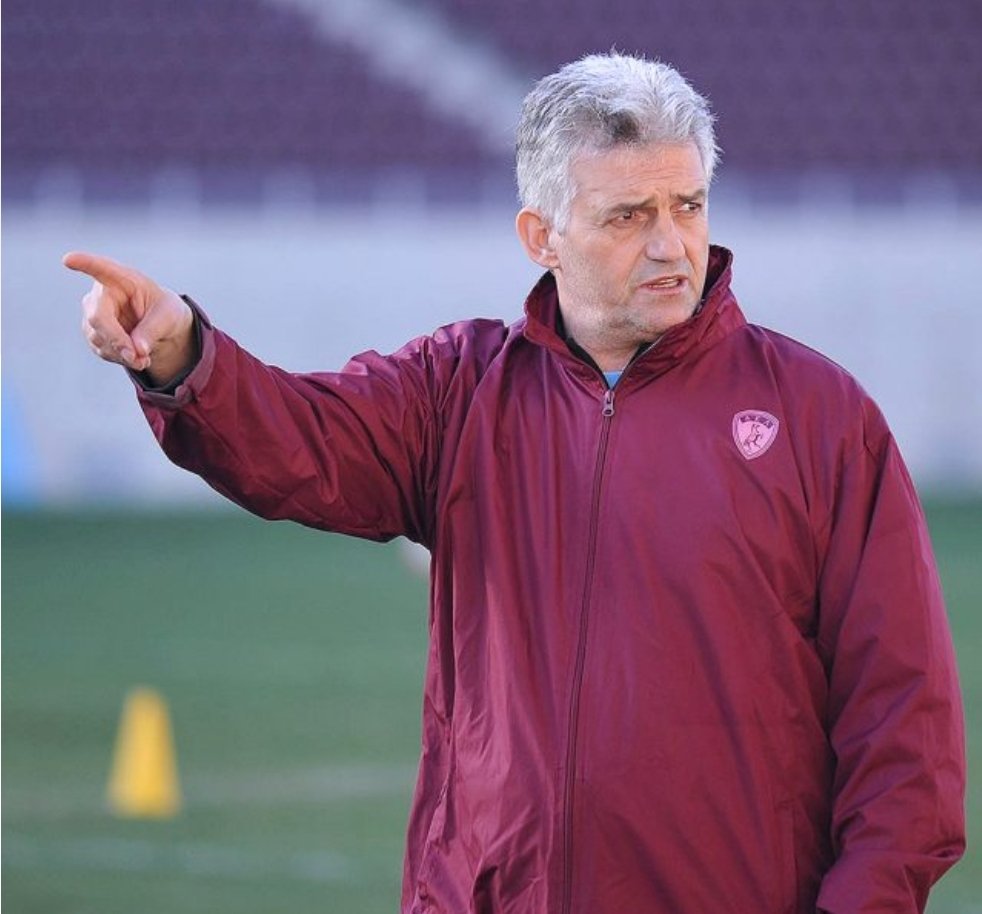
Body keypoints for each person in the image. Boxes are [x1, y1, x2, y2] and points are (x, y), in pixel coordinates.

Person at [66, 52, 965, 914]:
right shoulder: (459, 391)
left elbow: (907, 729)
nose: (670, 244)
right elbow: (296, 440)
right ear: (543, 237)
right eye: (628, 217)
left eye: (687, 206)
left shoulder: (819, 418)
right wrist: (182, 353)